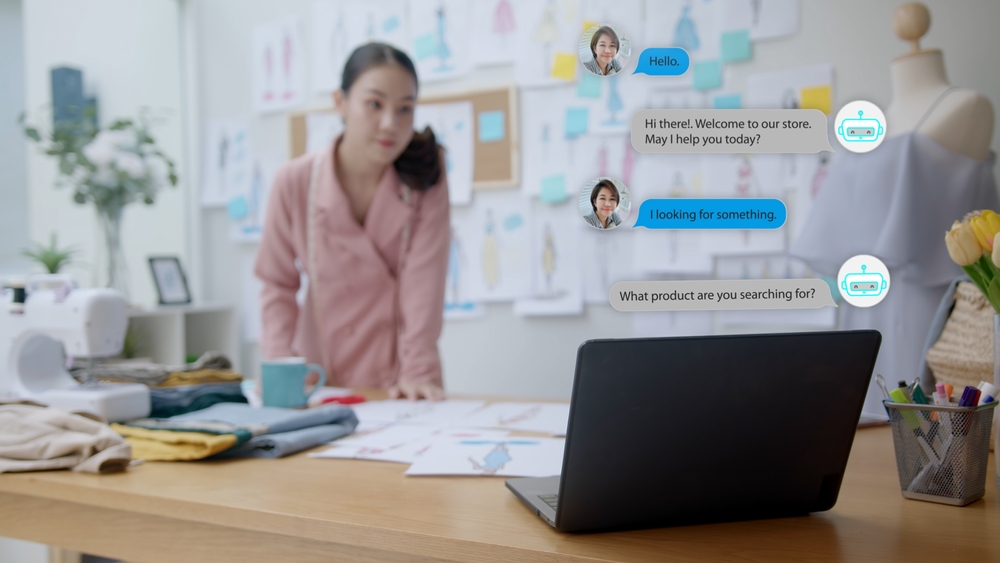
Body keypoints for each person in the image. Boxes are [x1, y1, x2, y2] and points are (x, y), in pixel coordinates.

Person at [255, 43, 449, 401]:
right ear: (340, 102)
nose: (391, 124)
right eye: (375, 104)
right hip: (314, 377)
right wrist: (281, 368)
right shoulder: (294, 181)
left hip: (401, 380)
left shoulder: (424, 178)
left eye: (405, 109)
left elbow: (424, 284)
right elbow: (276, 284)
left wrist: (418, 371)